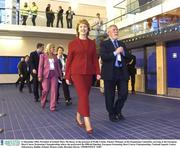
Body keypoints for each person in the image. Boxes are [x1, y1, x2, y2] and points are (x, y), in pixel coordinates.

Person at [65, 19, 100, 134]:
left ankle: (78, 116)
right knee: (84, 96)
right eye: (81, 26)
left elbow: (94, 59)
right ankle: (87, 121)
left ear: (88, 29)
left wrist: (98, 72)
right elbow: (69, 60)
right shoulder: (72, 43)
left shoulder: (92, 43)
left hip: (88, 73)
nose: (83, 28)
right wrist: (67, 75)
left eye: (85, 26)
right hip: (77, 73)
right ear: (78, 29)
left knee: (83, 97)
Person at [100, 24, 130, 122]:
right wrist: (115, 52)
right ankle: (111, 113)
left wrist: (123, 53)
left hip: (122, 72)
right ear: (108, 32)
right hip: (110, 73)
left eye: (117, 30)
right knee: (110, 95)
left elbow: (129, 56)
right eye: (113, 30)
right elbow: (104, 57)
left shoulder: (122, 43)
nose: (116, 31)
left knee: (124, 93)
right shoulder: (104, 44)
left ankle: (117, 110)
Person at [38, 43, 61, 111]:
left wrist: (60, 75)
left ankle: (52, 106)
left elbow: (58, 66)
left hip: (54, 74)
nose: (54, 49)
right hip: (46, 75)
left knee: (54, 90)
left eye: (54, 48)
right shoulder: (43, 56)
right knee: (46, 90)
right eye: (52, 48)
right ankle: (43, 101)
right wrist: (39, 75)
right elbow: (40, 66)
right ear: (48, 48)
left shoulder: (55, 56)